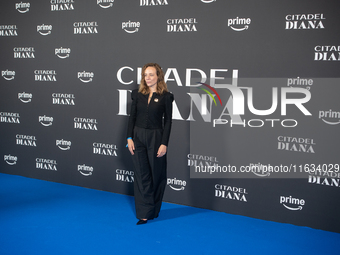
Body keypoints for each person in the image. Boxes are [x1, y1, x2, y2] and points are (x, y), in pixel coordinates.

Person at [127, 63, 174, 225]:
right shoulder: (137, 94)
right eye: (145, 75)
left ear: (158, 77)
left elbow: (168, 121)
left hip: (156, 137)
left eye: (151, 74)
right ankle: (144, 213)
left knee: (156, 175)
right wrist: (129, 138)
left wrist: (164, 143)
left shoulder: (166, 97)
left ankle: (154, 208)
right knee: (141, 175)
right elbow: (131, 118)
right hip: (138, 137)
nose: (147, 78)